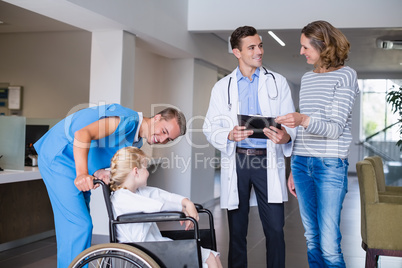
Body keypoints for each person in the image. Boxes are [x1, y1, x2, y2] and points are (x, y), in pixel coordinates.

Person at [34, 103, 186, 268]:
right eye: (164, 131)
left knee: (75, 226)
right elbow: (82, 134)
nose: (163, 139)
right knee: (79, 225)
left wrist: (99, 171)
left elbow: (99, 146)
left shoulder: (136, 143)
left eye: (168, 139)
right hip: (60, 157)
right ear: (157, 118)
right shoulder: (127, 121)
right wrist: (82, 173)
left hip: (74, 161)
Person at [203, 26, 296, 268]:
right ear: (237, 52)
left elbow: (291, 124)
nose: (259, 51)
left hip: (268, 160)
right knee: (237, 232)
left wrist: (286, 137)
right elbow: (209, 127)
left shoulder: (278, 82)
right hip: (239, 161)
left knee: (275, 229)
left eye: (260, 45)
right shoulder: (222, 87)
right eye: (252, 47)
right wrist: (229, 134)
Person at [275, 20, 359, 267]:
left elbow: (334, 129)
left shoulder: (346, 76)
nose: (301, 52)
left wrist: (302, 119)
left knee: (329, 243)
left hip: (330, 165)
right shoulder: (308, 78)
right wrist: (293, 166)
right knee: (312, 238)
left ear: (323, 46)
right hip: (302, 164)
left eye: (305, 47)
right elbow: (304, 132)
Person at [109, 146, 223, 268]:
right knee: (208, 258)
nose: (148, 172)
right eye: (146, 168)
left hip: (155, 244)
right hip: (144, 249)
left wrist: (186, 202)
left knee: (212, 256)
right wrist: (181, 209)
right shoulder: (122, 197)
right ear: (136, 171)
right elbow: (158, 206)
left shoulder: (137, 192)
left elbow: (163, 196)